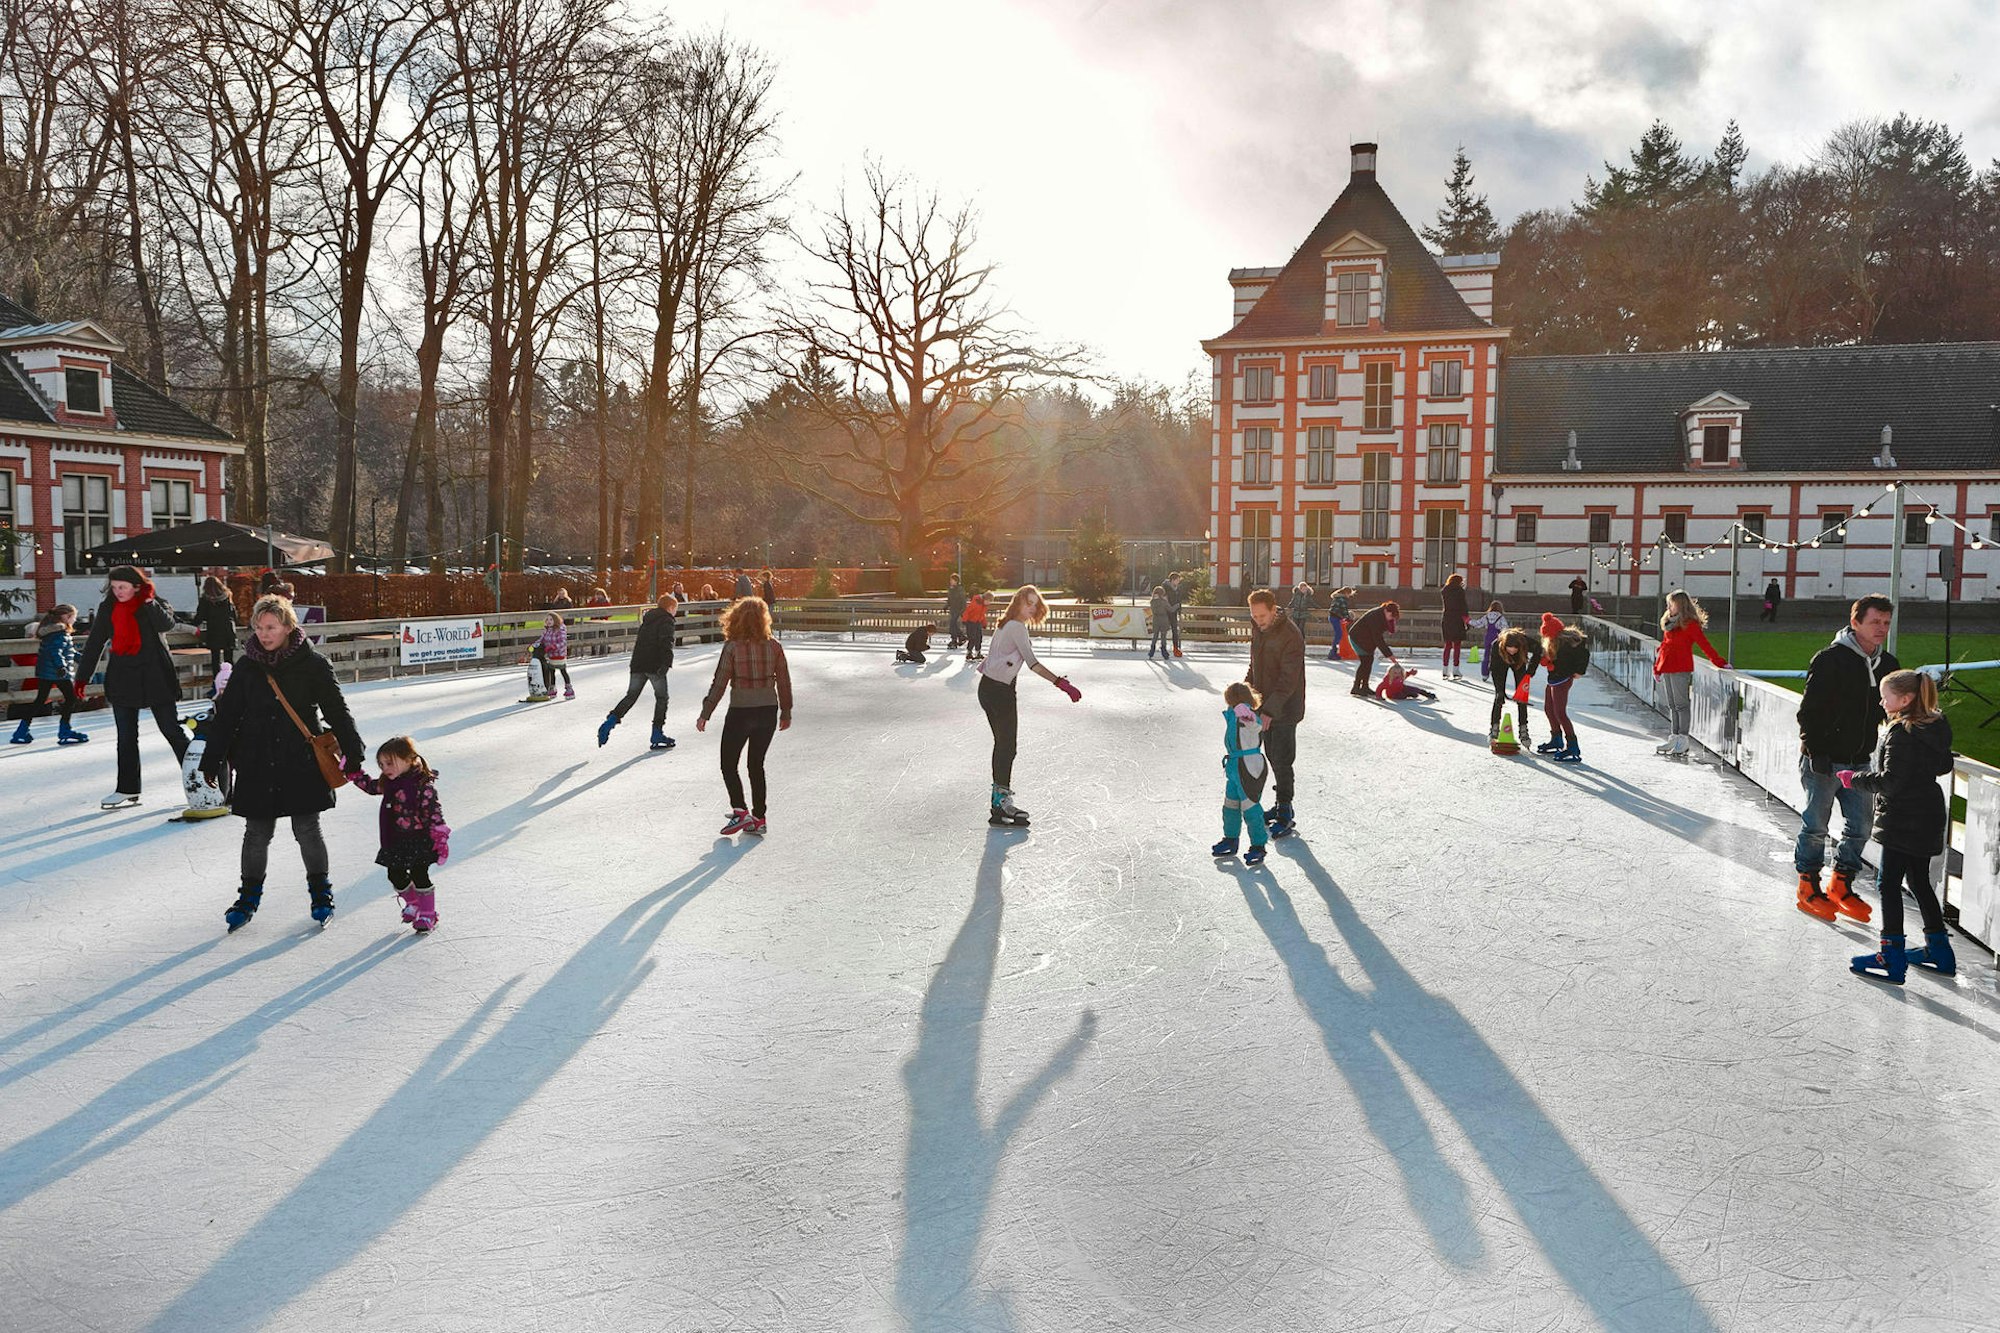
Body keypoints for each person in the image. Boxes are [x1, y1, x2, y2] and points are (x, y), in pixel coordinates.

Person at [200, 594, 366, 929]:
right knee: (256, 832)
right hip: (258, 760)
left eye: (271, 627)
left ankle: (321, 894)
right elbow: (228, 716)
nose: (263, 633)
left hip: (300, 759)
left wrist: (354, 750)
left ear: (288, 626)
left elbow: (337, 710)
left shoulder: (313, 664)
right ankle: (247, 898)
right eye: (258, 627)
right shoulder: (247, 666)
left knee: (307, 828)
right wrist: (211, 760)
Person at [1842, 670, 1956, 983]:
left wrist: (1855, 780)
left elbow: (1892, 781)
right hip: (1928, 812)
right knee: (1918, 881)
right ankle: (1940, 950)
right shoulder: (1933, 727)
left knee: (1887, 884)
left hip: (1904, 817)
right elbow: (1943, 764)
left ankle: (1891, 955)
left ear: (1904, 700)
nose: (1881, 701)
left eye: (1886, 696)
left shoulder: (1902, 733)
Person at [1795, 594, 1899, 924]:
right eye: (1875, 622)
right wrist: (1816, 751)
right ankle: (1807, 886)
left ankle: (1841, 884)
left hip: (1860, 763)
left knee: (1861, 827)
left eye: (1886, 622)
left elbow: (1895, 708)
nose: (1882, 628)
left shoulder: (1888, 665)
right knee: (1815, 826)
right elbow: (1808, 711)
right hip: (1824, 760)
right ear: (1855, 623)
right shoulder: (1829, 659)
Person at [72, 565, 190, 808]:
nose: (118, 592)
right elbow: (95, 642)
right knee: (126, 736)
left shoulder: (153, 602)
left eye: (122, 587)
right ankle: (127, 789)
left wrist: (148, 601)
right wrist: (82, 677)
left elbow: (166, 625)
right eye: (114, 587)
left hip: (155, 674)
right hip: (123, 675)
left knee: (171, 729)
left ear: (137, 586)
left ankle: (200, 778)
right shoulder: (109, 606)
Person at [977, 584, 1079, 826]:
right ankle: (1001, 805)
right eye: (1028, 603)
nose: (1032, 608)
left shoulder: (1004, 624)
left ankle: (998, 803)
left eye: (1035, 604)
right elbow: (1032, 663)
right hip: (1000, 692)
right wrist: (1060, 683)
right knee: (1007, 747)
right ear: (1018, 603)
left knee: (1002, 745)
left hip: (988, 688)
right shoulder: (1017, 627)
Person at [697, 597, 792, 836]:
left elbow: (719, 682)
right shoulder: (774, 646)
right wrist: (786, 711)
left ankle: (740, 811)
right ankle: (759, 818)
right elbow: (784, 682)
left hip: (741, 711)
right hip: (768, 711)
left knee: (728, 763)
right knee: (755, 765)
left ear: (736, 618)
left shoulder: (732, 647)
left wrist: (705, 713)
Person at [347, 736, 451, 934]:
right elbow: (370, 787)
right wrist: (353, 773)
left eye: (389, 763)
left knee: (420, 875)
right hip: (395, 840)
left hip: (420, 840)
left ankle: (428, 913)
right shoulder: (389, 784)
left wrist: (440, 837)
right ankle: (413, 903)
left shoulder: (423, 786)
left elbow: (433, 812)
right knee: (395, 875)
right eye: (381, 764)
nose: (385, 768)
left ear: (409, 759)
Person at [1244, 588, 1305, 837]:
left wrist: (1269, 710)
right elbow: (1254, 666)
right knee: (1271, 756)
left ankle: (1286, 811)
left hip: (1285, 709)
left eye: (1262, 616)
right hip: (1264, 706)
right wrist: (1245, 695)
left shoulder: (1290, 634)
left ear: (1273, 609)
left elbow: (1288, 680)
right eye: (1254, 616)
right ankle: (1280, 803)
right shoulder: (1259, 629)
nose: (1258, 621)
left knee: (1282, 760)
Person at [1652, 590, 1727, 756]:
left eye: (1671, 604)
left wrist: (1719, 661)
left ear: (1680, 605)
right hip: (1667, 667)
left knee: (1681, 705)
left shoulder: (1690, 624)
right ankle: (1675, 736)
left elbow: (1704, 644)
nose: (1668, 607)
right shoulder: (1669, 623)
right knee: (1672, 705)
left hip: (1680, 668)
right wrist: (1657, 667)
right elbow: (1664, 647)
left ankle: (1683, 739)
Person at [599, 592, 678, 749]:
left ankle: (611, 721)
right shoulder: (666, 621)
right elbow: (666, 643)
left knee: (631, 696)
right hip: (655, 666)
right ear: (670, 607)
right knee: (662, 698)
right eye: (676, 608)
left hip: (638, 664)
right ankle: (657, 733)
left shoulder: (647, 620)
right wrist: (666, 664)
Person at [1211, 681, 1270, 866]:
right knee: (1231, 805)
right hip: (1234, 766)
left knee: (1251, 808)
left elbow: (1256, 726)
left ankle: (1258, 846)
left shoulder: (1246, 715)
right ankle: (1231, 838)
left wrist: (1249, 717)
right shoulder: (1232, 714)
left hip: (1248, 766)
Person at [11, 604, 87, 745]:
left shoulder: (53, 631)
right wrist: (61, 667)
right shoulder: (59, 632)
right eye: (74, 617)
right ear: (67, 617)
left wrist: (81, 658)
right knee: (71, 699)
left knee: (40, 700)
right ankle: (65, 730)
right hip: (57, 672)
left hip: (46, 671)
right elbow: (55, 652)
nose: (74, 620)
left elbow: (66, 651)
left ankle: (21, 730)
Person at [1537, 614, 1592, 763]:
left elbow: (1584, 654)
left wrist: (1580, 671)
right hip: (1554, 678)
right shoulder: (1554, 642)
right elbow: (1554, 659)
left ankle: (1572, 746)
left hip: (1563, 679)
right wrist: (1548, 662)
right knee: (1548, 708)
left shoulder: (1566, 643)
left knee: (1560, 713)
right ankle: (1556, 739)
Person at [1488, 627, 1539, 747]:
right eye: (1509, 650)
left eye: (1514, 650)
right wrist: (1499, 690)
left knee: (1522, 698)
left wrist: (1530, 671)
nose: (1512, 652)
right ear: (1504, 646)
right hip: (1500, 663)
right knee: (1499, 697)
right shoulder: (1497, 645)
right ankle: (1494, 728)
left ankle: (1523, 729)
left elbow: (1540, 650)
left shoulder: (1524, 641)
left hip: (1519, 663)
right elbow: (1494, 669)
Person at [183, 575, 238, 682]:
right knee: (229, 660)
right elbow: (234, 615)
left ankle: (217, 682)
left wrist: (189, 624)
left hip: (215, 631)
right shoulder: (227, 596)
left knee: (215, 660)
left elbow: (200, 617)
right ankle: (231, 682)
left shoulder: (205, 599)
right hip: (228, 631)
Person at [1346, 600, 1400, 697]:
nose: (1391, 619)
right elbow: (1378, 638)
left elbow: (1384, 631)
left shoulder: (1383, 615)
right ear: (1387, 611)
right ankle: (1356, 687)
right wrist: (1389, 655)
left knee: (1369, 661)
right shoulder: (1375, 617)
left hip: (1366, 639)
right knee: (1365, 661)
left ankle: (1365, 687)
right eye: (1391, 616)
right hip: (1357, 638)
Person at [535, 612, 574, 699]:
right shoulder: (547, 630)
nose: (549, 621)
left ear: (555, 620)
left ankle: (569, 688)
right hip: (551, 655)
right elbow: (542, 639)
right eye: (547, 619)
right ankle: (552, 688)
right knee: (551, 671)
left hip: (559, 654)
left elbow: (563, 642)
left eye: (551, 619)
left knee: (563, 670)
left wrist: (554, 646)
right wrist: (535, 645)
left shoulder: (560, 629)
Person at [1439, 574, 1469, 679]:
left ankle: (1444, 670)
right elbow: (1463, 606)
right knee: (1457, 646)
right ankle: (1456, 670)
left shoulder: (1445, 591)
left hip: (1447, 619)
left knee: (1447, 645)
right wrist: (1467, 620)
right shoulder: (1460, 591)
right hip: (1457, 619)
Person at [1477, 601, 1508, 680]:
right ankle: (1496, 673)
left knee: (1486, 656)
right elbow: (1505, 629)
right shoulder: (1501, 617)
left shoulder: (1486, 616)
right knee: (1497, 656)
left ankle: (1484, 674)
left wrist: (1468, 621)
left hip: (1488, 637)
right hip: (1497, 638)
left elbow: (1478, 623)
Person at [1326, 586, 1353, 662]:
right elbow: (1344, 610)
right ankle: (1332, 653)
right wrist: (1348, 618)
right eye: (1349, 594)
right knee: (1339, 634)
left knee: (1338, 634)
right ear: (1346, 593)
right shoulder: (1342, 599)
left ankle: (1334, 652)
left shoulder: (1337, 597)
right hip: (1335, 618)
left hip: (1333, 617)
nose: (1349, 596)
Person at [1163, 572, 1186, 657]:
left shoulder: (1178, 589)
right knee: (1164, 631)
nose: (1178, 582)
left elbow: (1179, 600)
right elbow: (1164, 599)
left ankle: (1176, 648)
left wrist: (1179, 610)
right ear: (1172, 580)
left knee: (1175, 631)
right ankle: (1163, 647)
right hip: (1166, 612)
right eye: (1177, 580)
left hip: (1174, 612)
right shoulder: (1165, 588)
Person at [962, 591, 988, 662]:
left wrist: (984, 623)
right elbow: (967, 611)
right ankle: (969, 653)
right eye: (988, 601)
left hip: (978, 623)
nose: (989, 603)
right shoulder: (975, 604)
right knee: (972, 638)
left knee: (979, 638)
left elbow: (982, 615)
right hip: (970, 623)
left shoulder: (984, 606)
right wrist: (964, 620)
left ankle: (978, 652)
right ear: (984, 599)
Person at [944, 574, 968, 648]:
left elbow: (963, 601)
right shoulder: (951, 589)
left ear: (956, 581)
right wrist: (946, 606)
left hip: (958, 609)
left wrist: (962, 610)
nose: (950, 581)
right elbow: (949, 600)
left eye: (952, 580)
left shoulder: (960, 590)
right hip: (953, 609)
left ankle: (955, 639)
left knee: (952, 624)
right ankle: (961, 636)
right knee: (953, 624)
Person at [1148, 584, 1172, 659]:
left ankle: (1151, 651)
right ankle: (1164, 652)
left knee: (1155, 636)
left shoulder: (1152, 601)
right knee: (1163, 636)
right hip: (1163, 620)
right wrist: (1177, 606)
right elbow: (1170, 609)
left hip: (1156, 620)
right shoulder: (1164, 601)